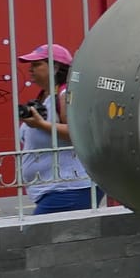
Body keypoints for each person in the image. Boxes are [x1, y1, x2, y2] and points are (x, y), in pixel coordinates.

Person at [17, 42, 93, 215]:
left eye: (37, 64)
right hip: (55, 187)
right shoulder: (46, 97)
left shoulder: (65, 95)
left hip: (69, 187)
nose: (30, 70)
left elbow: (77, 134)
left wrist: (40, 125)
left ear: (55, 68)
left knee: (37, 239)